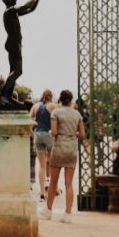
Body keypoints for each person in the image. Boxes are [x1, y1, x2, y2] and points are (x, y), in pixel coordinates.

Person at [40, 89, 85, 223]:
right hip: (71, 148)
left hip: (59, 147)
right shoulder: (77, 114)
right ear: (71, 100)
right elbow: (82, 135)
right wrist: (73, 134)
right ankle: (68, 214)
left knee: (53, 182)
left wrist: (51, 132)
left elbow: (53, 132)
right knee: (68, 183)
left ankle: (48, 211)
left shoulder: (56, 112)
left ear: (60, 99)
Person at [0, 0, 47, 103]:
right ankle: (2, 94)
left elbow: (30, 9)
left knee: (14, 71)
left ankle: (8, 96)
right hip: (13, 43)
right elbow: (26, 5)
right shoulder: (10, 10)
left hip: (15, 43)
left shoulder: (13, 12)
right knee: (18, 71)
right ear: (10, 0)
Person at [29, 89, 56, 201]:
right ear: (51, 97)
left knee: (42, 165)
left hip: (38, 134)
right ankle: (53, 188)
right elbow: (57, 120)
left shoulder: (35, 106)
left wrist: (32, 133)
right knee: (52, 162)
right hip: (48, 134)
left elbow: (28, 120)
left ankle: (41, 192)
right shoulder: (53, 106)